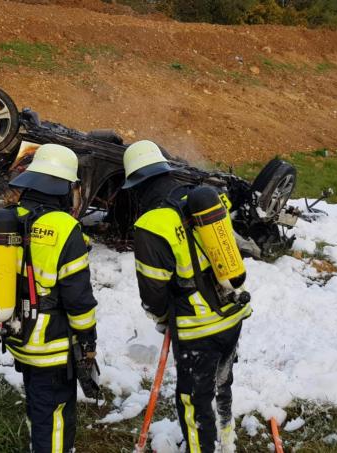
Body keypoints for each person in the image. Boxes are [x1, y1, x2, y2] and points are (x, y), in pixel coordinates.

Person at [123, 140, 252, 453]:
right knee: (222, 382)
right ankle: (226, 439)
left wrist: (162, 318)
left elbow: (153, 291)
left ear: (137, 186)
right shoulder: (200, 199)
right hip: (233, 312)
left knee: (194, 400)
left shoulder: (151, 225)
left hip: (197, 329)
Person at [6, 143, 97, 453]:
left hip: (18, 334)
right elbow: (78, 299)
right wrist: (88, 339)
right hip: (52, 343)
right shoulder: (66, 228)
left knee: (38, 404)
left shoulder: (11, 217)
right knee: (56, 414)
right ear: (64, 187)